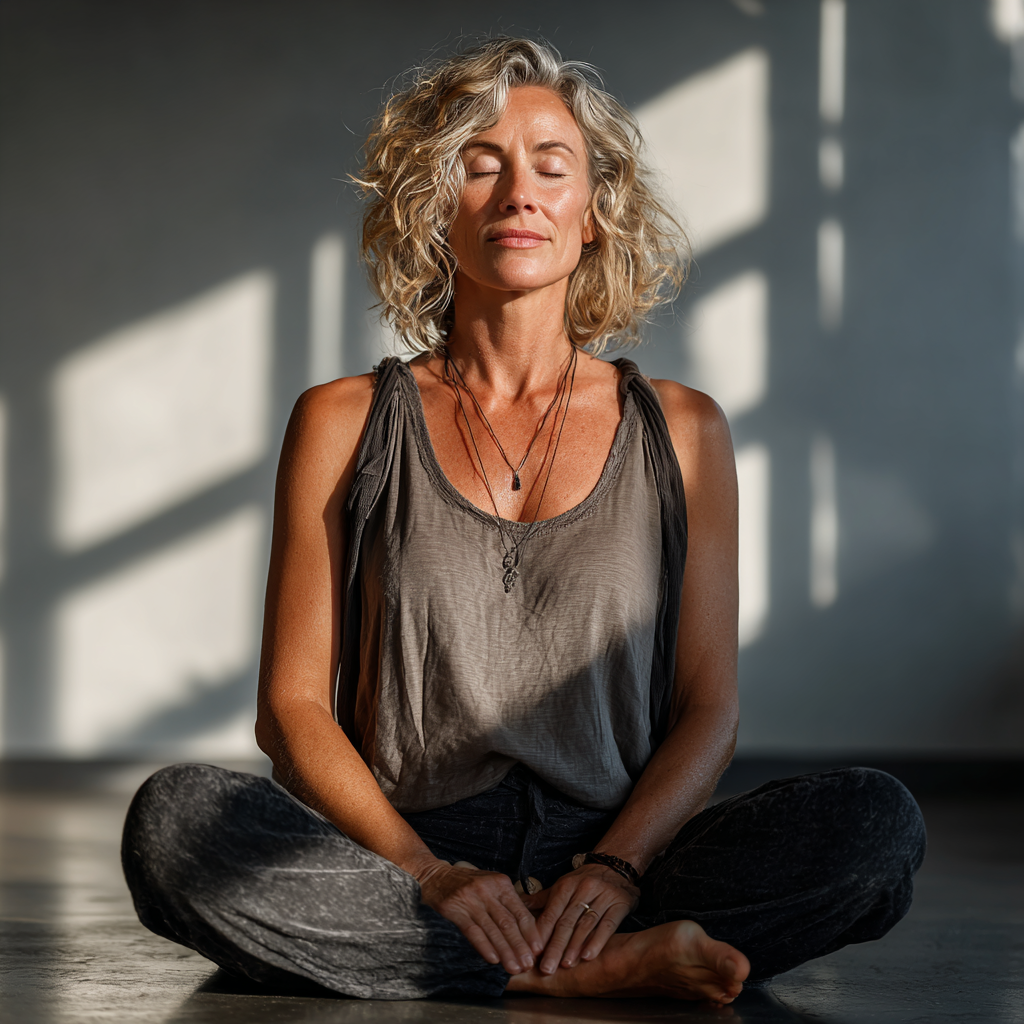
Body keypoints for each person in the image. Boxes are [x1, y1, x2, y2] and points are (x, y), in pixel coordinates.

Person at [121, 37, 926, 1004]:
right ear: (434, 208)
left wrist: (618, 869)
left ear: (595, 212)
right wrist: (428, 875)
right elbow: (291, 710)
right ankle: (591, 972)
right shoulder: (342, 421)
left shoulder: (683, 430)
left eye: (552, 167)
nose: (518, 195)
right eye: (480, 165)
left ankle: (503, 958)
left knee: (876, 825)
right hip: (406, 853)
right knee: (174, 825)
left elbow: (709, 709)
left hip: (618, 851)